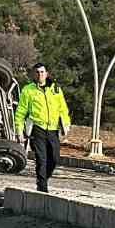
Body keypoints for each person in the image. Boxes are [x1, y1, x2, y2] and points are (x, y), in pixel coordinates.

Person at [14, 62, 71, 192]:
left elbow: (62, 108)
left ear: (47, 74)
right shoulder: (28, 90)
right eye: (37, 72)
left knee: (54, 158)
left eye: (42, 72)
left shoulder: (56, 89)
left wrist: (65, 124)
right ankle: (42, 187)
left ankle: (44, 178)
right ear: (34, 74)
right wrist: (19, 130)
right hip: (37, 128)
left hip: (53, 129)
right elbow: (21, 111)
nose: (40, 74)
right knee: (41, 159)